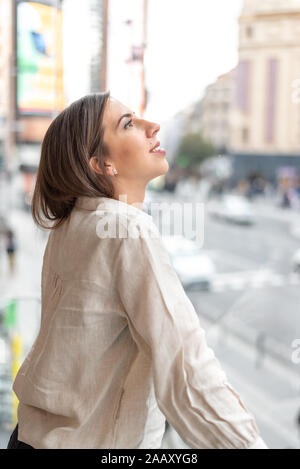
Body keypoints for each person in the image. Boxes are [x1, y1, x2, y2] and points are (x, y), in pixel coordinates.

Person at [8, 92, 268, 449]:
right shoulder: (127, 228)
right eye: (128, 124)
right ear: (101, 163)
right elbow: (186, 371)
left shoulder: (71, 224)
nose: (152, 126)